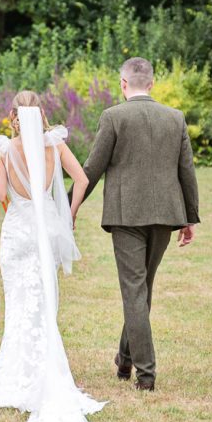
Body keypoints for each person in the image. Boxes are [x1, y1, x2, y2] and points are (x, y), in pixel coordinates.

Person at [0, 91, 106, 422]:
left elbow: (0, 191)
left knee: (18, 304)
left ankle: (16, 379)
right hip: (47, 230)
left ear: (13, 116)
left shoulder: (3, 149)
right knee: (45, 305)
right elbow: (81, 180)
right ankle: (43, 373)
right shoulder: (54, 146)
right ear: (41, 114)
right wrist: (71, 213)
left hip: (18, 233)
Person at [77, 56, 200, 392]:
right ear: (152, 84)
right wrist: (190, 217)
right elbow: (186, 171)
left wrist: (69, 207)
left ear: (123, 84)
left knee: (134, 291)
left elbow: (92, 169)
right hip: (166, 216)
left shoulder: (113, 116)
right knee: (141, 291)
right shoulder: (175, 118)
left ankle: (146, 376)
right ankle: (125, 359)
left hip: (126, 215)